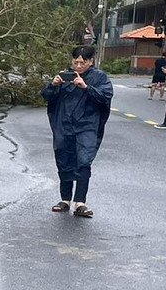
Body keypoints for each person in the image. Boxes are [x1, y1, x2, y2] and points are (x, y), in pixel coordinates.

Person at [43, 44, 113, 218]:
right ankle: (65, 199)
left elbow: (105, 96)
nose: (79, 66)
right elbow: (46, 96)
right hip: (64, 124)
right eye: (76, 62)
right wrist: (53, 84)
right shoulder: (64, 75)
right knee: (63, 158)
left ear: (91, 61)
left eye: (83, 62)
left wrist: (86, 87)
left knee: (84, 159)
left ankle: (80, 202)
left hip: (87, 124)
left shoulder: (99, 77)